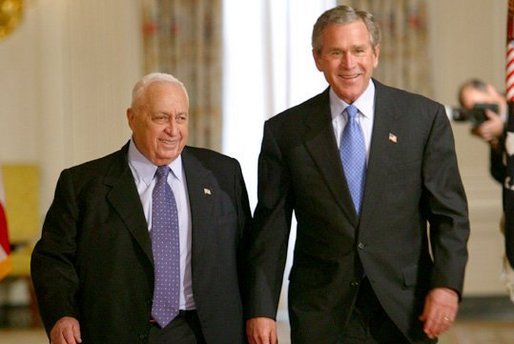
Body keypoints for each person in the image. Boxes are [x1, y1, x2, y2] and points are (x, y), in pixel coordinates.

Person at [244, 5, 470, 344]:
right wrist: (261, 308)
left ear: (375, 54)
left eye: (358, 51)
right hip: (322, 311)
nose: (349, 64)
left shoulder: (423, 119)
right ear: (318, 58)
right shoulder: (286, 132)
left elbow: (449, 216)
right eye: (336, 52)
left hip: (405, 307)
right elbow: (271, 229)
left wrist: (446, 285)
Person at [31, 72, 251, 344]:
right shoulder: (82, 184)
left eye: (181, 118)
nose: (173, 129)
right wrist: (62, 314)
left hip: (205, 331)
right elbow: (53, 259)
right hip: (119, 330)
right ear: (132, 118)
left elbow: (248, 254)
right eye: (161, 118)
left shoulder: (223, 174)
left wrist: (259, 315)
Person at [458, 79, 508, 184]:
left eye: (481, 106)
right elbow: (500, 175)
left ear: (490, 90)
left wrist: (503, 129)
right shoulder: (493, 129)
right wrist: (494, 142)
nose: (484, 112)